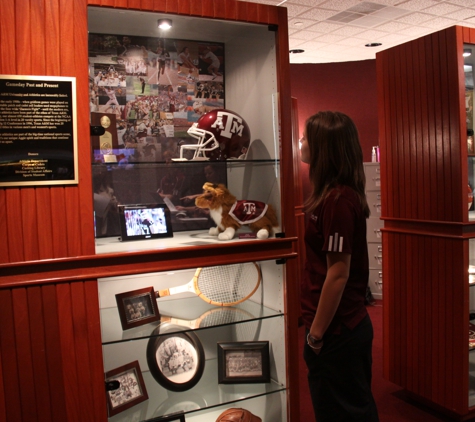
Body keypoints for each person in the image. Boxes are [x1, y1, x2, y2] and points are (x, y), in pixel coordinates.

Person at [299, 111, 379, 422]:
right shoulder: (330, 197)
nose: (301, 142)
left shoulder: (337, 202)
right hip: (338, 327)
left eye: (306, 137)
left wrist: (316, 335)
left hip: (338, 330)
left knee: (345, 411)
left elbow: (338, 274)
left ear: (323, 148)